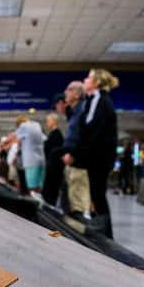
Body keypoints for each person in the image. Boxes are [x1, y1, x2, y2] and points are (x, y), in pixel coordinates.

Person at [64, 69, 119, 238]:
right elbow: (85, 131)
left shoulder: (103, 102)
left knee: (98, 193)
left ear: (97, 83)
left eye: (88, 78)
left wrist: (76, 154)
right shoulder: (91, 102)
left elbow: (94, 134)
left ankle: (106, 233)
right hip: (94, 156)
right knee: (96, 192)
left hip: (101, 157)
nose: (85, 80)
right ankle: (102, 227)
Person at [58, 81, 88, 217]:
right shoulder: (74, 112)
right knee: (70, 200)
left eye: (69, 90)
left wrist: (73, 154)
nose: (65, 93)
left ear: (77, 94)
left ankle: (79, 234)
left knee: (78, 203)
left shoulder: (82, 111)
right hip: (71, 161)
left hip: (78, 162)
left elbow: (84, 137)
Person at [8, 115, 45, 197]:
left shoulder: (27, 131)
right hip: (32, 162)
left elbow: (15, 141)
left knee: (30, 187)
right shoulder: (35, 131)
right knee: (33, 186)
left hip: (28, 163)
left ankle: (31, 200)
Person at [41, 113, 65, 205]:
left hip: (55, 169)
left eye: (48, 121)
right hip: (51, 167)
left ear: (53, 121)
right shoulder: (52, 134)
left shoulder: (56, 135)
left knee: (51, 191)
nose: (47, 123)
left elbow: (54, 151)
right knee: (48, 191)